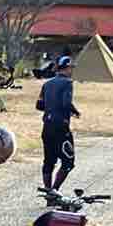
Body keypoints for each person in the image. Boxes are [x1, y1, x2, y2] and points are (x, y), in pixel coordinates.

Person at [39, 55, 80, 192]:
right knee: (68, 161)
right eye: (71, 68)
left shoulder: (47, 84)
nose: (71, 71)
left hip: (47, 127)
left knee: (49, 161)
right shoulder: (67, 83)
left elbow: (39, 105)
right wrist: (74, 111)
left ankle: (48, 191)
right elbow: (66, 103)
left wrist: (51, 108)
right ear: (67, 68)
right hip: (61, 128)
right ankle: (55, 190)